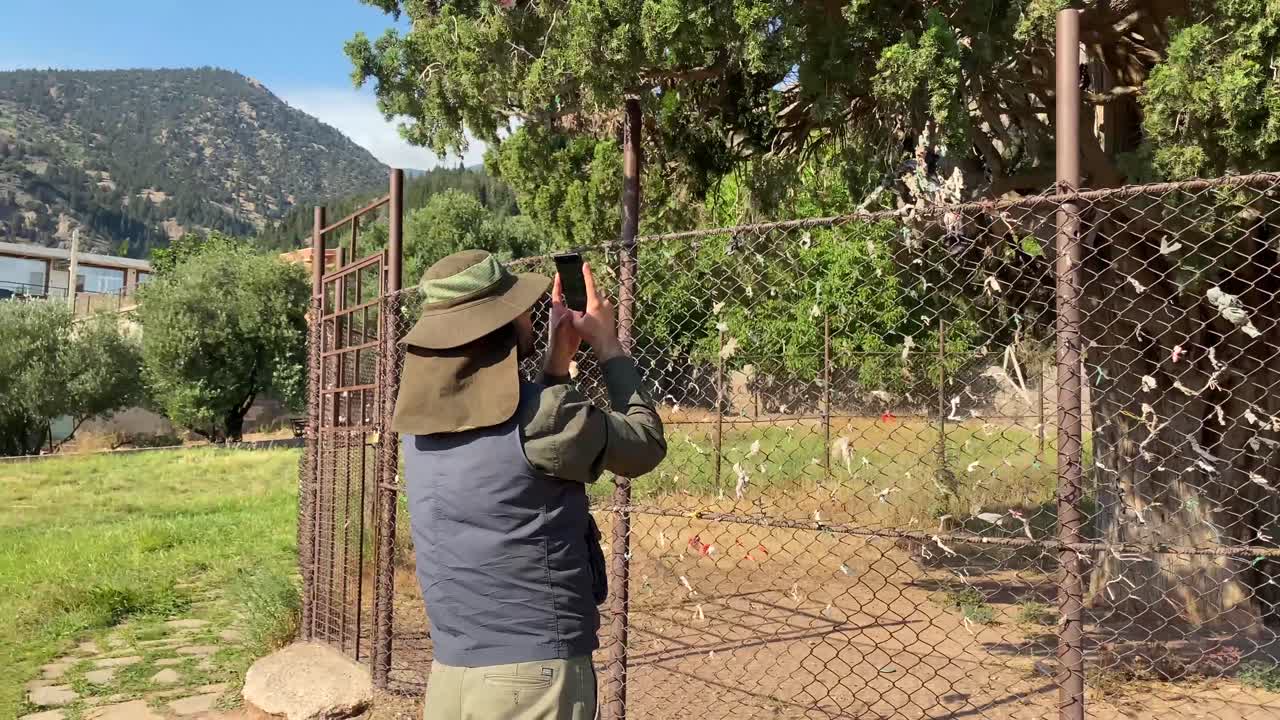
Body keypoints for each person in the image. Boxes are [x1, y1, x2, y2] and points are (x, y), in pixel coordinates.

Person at [391, 249, 667, 720]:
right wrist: (608, 347)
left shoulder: (418, 430)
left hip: (451, 680)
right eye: (517, 306)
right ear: (500, 322)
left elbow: (508, 434)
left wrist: (555, 367)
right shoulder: (543, 418)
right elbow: (643, 444)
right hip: (532, 680)